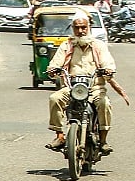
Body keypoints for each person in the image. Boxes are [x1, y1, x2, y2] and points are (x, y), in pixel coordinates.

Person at [45, 11, 118, 154]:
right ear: (72, 28)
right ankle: (60, 136)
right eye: (77, 28)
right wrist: (53, 70)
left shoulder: (99, 46)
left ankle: (103, 140)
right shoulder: (67, 45)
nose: (80, 31)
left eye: (83, 27)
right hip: (72, 88)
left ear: (89, 27)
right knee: (54, 98)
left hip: (94, 89)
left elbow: (107, 63)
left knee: (105, 104)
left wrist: (108, 70)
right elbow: (55, 63)